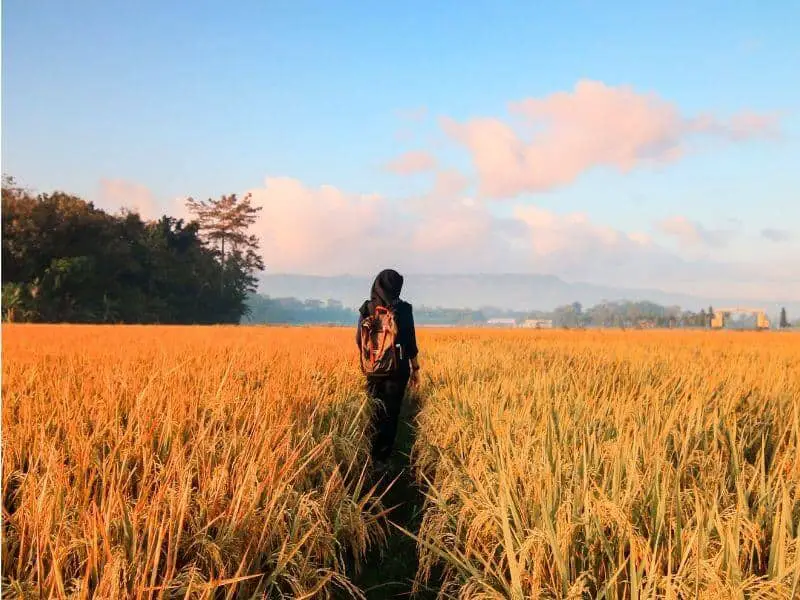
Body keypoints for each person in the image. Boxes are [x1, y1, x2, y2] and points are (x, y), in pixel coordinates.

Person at [356, 269, 420, 469]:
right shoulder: (403, 309)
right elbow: (409, 340)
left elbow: (359, 339)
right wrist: (415, 367)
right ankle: (382, 459)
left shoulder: (366, 308)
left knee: (374, 410)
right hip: (397, 371)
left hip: (373, 370)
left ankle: (368, 454)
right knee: (391, 414)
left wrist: (371, 359)